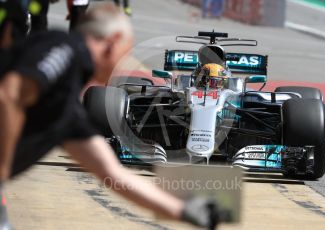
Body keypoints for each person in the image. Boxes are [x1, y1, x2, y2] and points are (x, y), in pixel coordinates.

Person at [0, 2, 222, 229]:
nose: (122, 61)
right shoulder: (64, 49)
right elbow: (8, 95)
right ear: (113, 41)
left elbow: (114, 175)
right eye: (126, 52)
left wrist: (185, 210)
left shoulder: (67, 110)